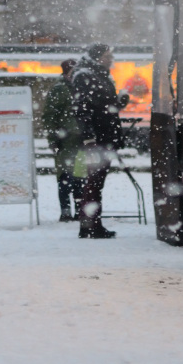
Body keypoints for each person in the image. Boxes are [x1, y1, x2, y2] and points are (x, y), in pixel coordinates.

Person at [71, 43, 127, 238]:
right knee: (94, 181)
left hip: (104, 135)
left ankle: (92, 224)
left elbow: (102, 106)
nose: (110, 59)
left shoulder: (100, 74)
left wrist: (119, 102)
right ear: (96, 57)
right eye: (106, 55)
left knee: (96, 181)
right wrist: (89, 138)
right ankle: (90, 226)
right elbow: (82, 108)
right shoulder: (85, 76)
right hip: (97, 138)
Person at [41, 59, 84, 222]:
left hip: (79, 139)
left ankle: (80, 209)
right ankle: (66, 211)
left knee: (80, 176)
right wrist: (53, 138)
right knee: (65, 177)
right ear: (67, 72)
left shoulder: (79, 87)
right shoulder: (59, 89)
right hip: (65, 140)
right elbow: (49, 116)